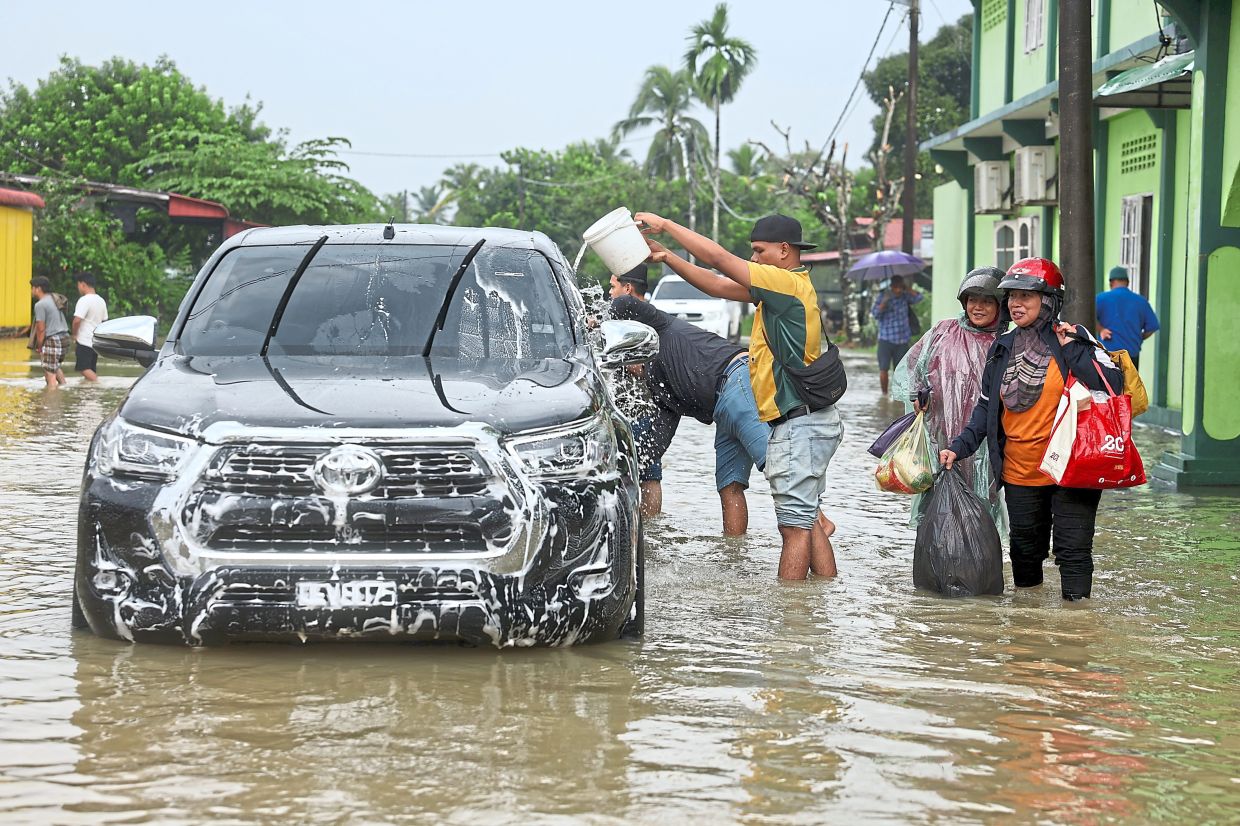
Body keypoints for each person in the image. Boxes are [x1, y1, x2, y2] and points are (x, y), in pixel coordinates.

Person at [635, 211, 842, 580]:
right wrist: (668, 257)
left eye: (759, 251)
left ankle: (790, 620)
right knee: (807, 520)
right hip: (808, 420)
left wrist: (665, 225)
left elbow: (718, 260)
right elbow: (716, 285)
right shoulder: (784, 288)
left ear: (783, 250)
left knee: (793, 530)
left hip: (799, 424)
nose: (753, 259)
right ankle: (820, 604)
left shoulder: (784, 284)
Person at [940, 258, 1124, 601]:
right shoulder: (1002, 348)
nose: (1015, 303)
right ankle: (1027, 635)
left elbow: (1114, 386)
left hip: (1071, 470)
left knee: (1073, 553)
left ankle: (1075, 632)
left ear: (1049, 301)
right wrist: (959, 446)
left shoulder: (1073, 341)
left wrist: (1075, 351)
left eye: (1026, 296)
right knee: (1025, 555)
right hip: (1020, 471)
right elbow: (985, 408)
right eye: (1012, 296)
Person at [608, 263, 770, 535]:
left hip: (737, 379)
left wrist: (592, 319)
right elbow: (654, 449)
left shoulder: (658, 325)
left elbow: (624, 302)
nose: (628, 368)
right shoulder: (661, 389)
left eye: (626, 361)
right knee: (729, 485)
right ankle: (734, 556)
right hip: (722, 408)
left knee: (779, 471)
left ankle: (814, 520)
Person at [891, 267, 1006, 532]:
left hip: (983, 441)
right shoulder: (943, 332)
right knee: (938, 502)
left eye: (987, 301)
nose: (978, 307)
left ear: (1000, 306)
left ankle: (978, 560)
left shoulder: (1005, 343)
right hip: (939, 434)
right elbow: (911, 369)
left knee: (980, 504)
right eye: (973, 300)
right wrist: (918, 395)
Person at [871, 275, 925, 396]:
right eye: (896, 287)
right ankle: (884, 395)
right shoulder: (883, 296)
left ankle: (899, 395)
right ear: (891, 286)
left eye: (901, 287)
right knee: (883, 369)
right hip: (886, 339)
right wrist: (883, 303)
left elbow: (919, 298)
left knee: (901, 370)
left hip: (902, 340)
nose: (898, 290)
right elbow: (875, 314)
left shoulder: (905, 297)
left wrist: (908, 289)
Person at [1095, 266, 1159, 368]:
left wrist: (1101, 329)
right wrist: (1139, 337)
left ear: (1111, 283)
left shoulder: (1101, 299)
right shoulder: (1141, 301)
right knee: (1129, 383)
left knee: (1108, 384)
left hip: (1107, 356)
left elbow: (1089, 318)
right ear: (1128, 282)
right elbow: (1152, 327)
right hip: (1131, 355)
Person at [30, 276, 70, 390]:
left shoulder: (40, 305)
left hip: (53, 339)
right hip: (64, 337)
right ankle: (64, 388)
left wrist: (39, 346)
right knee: (54, 367)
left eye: (32, 288)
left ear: (38, 289)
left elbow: (41, 328)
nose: (31, 291)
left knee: (49, 373)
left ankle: (50, 401)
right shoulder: (54, 298)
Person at [72, 272, 109, 382]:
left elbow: (77, 320)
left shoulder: (84, 300)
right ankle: (91, 394)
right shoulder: (101, 300)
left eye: (78, 285)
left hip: (84, 340)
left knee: (84, 369)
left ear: (83, 284)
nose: (78, 288)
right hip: (95, 341)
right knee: (91, 368)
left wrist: (74, 334)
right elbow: (104, 321)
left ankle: (99, 384)